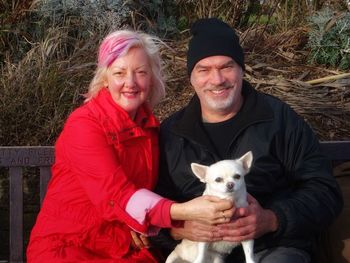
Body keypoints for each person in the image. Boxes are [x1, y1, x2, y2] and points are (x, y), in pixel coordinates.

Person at [26, 29, 234, 262]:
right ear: (105, 77)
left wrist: (147, 224)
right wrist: (184, 212)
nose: (131, 83)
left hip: (125, 247)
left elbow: (150, 194)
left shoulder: (149, 127)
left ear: (152, 77)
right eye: (119, 73)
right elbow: (116, 195)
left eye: (141, 72)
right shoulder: (84, 125)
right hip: (70, 248)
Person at [152, 18, 343, 263]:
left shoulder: (279, 120)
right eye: (204, 69)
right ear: (192, 78)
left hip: (272, 248)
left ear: (242, 69)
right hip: (202, 255)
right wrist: (176, 229)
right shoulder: (172, 134)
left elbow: (324, 190)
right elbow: (153, 203)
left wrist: (274, 219)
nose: (217, 79)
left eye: (227, 66)